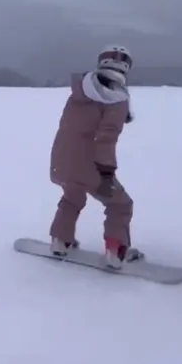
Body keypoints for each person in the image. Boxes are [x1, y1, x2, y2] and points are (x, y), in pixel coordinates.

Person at [48, 45, 142, 270]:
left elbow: (70, 129)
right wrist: (106, 171)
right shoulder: (117, 99)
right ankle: (115, 251)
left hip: (61, 162)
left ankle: (60, 241)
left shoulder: (79, 92)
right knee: (120, 204)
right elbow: (105, 139)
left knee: (73, 196)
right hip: (92, 166)